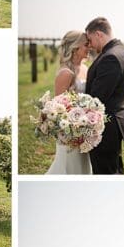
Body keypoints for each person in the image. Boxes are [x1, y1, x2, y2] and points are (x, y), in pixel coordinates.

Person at [84, 17, 124, 174]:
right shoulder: (120, 51)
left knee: (105, 172)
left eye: (90, 40)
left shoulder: (110, 57)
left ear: (98, 34)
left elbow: (96, 99)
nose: (89, 45)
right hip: (115, 122)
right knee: (114, 170)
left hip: (106, 127)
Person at [45, 30, 92, 175]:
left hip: (85, 130)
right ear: (75, 48)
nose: (89, 47)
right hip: (69, 134)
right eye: (86, 44)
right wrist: (74, 131)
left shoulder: (85, 68)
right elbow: (58, 111)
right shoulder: (66, 73)